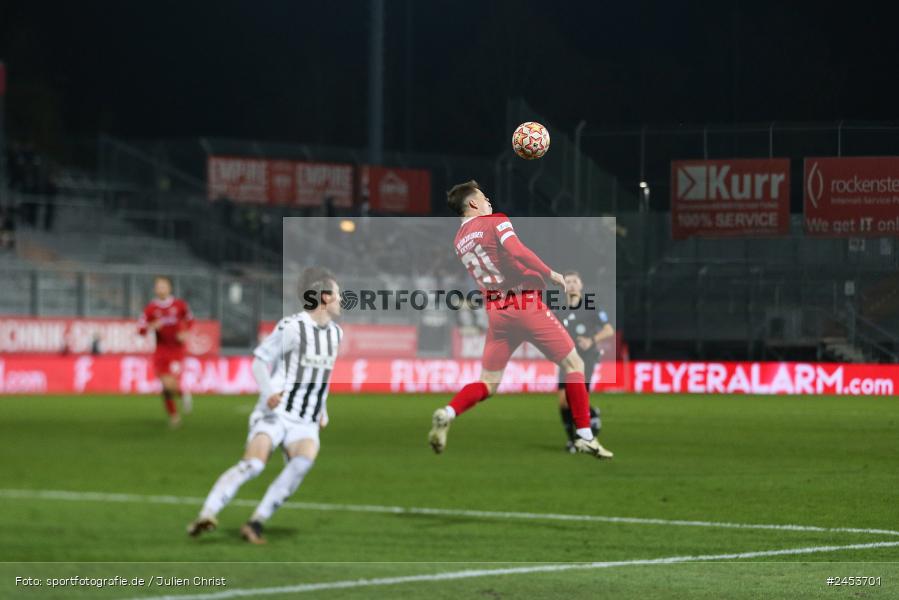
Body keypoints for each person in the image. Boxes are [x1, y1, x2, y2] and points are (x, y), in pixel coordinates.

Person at [428, 180, 613, 459]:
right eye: (484, 197)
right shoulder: (495, 221)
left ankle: (449, 411)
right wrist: (553, 275)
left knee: (488, 382)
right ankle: (585, 435)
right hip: (524, 304)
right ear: (475, 204)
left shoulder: (458, 242)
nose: (489, 200)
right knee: (574, 363)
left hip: (497, 313)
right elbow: (517, 251)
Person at [187, 267, 343, 544]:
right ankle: (207, 513)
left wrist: (323, 409)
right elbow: (260, 360)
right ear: (324, 297)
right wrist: (269, 392)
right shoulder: (292, 327)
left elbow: (323, 375)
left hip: (306, 419)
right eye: (338, 294)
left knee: (301, 465)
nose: (342, 299)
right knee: (254, 466)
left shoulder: (336, 334)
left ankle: (256, 522)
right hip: (277, 412)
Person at [556, 271, 615, 453]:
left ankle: (579, 438)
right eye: (568, 282)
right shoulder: (560, 310)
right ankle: (573, 439)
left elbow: (608, 330)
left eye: (575, 281)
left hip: (585, 359)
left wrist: (591, 340)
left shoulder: (590, 306)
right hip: (566, 359)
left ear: (581, 285)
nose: (572, 285)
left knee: (574, 398)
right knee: (563, 402)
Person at [138, 276, 193, 427]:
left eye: (164, 286)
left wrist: (185, 333)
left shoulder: (179, 305)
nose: (161, 289)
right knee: (166, 385)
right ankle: (174, 416)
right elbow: (141, 329)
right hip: (161, 350)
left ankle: (181, 394)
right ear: (155, 289)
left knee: (170, 385)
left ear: (170, 288)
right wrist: (151, 327)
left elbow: (190, 320)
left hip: (176, 350)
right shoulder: (150, 309)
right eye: (158, 286)